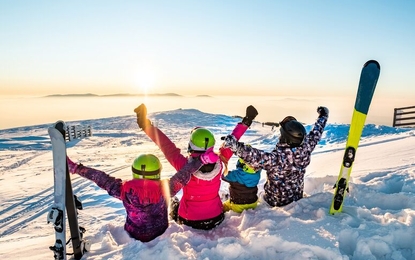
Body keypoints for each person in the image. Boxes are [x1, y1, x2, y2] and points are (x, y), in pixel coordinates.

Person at [134, 103, 258, 230]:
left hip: (189, 220)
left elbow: (166, 146)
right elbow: (233, 140)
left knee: (174, 203)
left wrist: (146, 125)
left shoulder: (184, 166)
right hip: (216, 217)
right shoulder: (220, 161)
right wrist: (247, 121)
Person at [66, 151, 218, 242]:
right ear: (157, 172)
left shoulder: (123, 190)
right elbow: (184, 174)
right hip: (160, 231)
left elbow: (100, 178)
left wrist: (76, 168)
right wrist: (201, 160)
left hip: (134, 233)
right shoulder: (166, 189)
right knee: (174, 202)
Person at [222, 106, 329, 207]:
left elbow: (255, 156)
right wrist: (323, 116)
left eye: (281, 134)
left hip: (275, 202)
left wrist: (235, 146)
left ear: (285, 137)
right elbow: (316, 133)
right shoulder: (306, 148)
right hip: (297, 197)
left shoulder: (277, 158)